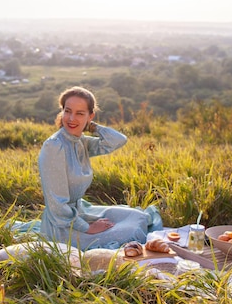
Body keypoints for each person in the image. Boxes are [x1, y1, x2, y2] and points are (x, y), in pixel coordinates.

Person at [38, 86, 161, 250]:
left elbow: (118, 140)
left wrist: (93, 127)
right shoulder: (54, 147)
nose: (71, 118)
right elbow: (57, 205)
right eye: (68, 111)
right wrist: (87, 228)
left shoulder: (81, 141)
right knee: (129, 232)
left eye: (80, 113)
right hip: (62, 226)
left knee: (137, 217)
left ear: (90, 116)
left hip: (80, 213)